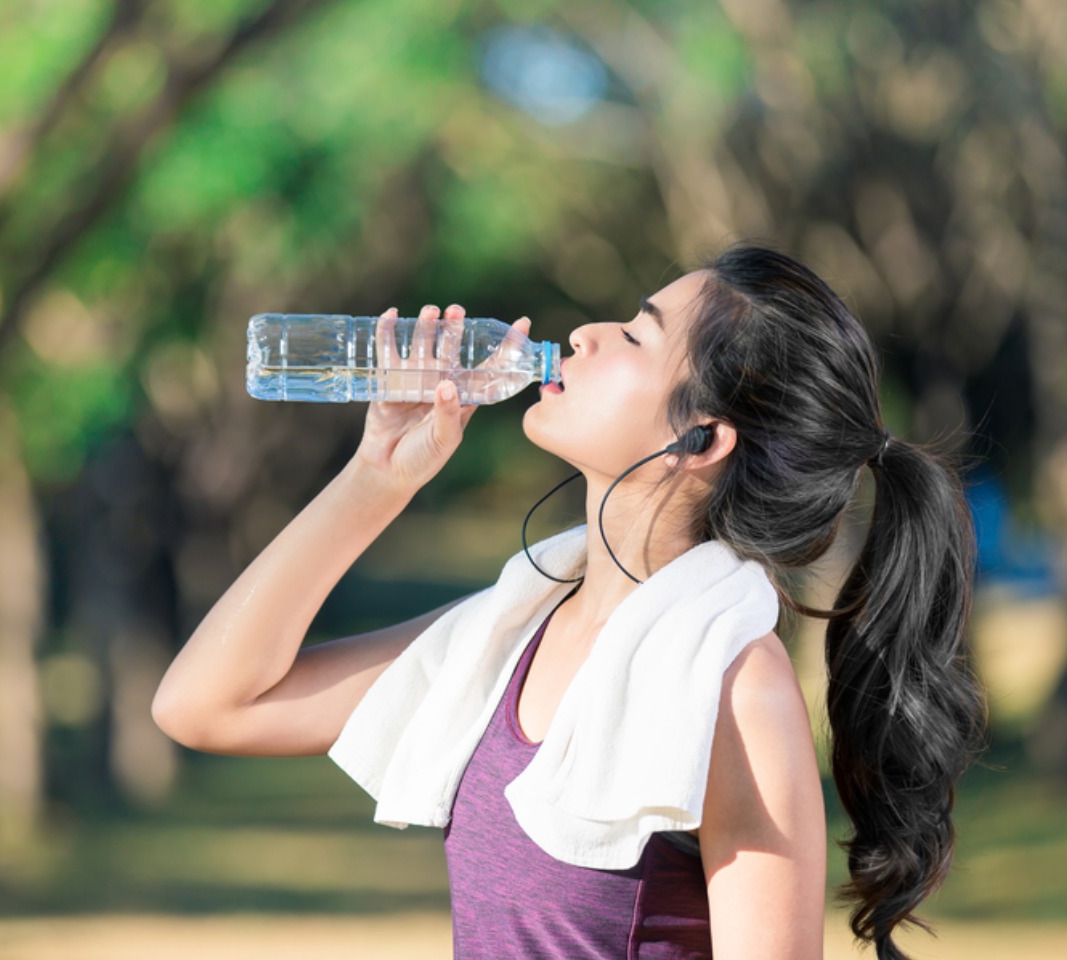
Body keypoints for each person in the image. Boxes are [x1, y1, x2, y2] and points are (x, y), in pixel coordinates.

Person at [152, 244, 984, 960]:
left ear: (701, 438)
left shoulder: (734, 685)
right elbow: (206, 706)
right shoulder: (506, 635)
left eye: (634, 334)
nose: (582, 334)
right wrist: (378, 477)